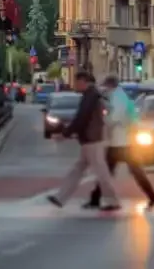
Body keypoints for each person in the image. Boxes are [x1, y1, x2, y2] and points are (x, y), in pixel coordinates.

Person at [47, 71, 121, 211]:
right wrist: (69, 133)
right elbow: (82, 118)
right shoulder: (91, 94)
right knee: (79, 169)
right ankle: (60, 197)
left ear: (83, 81)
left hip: (92, 139)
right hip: (90, 139)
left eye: (76, 82)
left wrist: (66, 133)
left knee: (101, 172)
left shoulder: (91, 96)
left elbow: (82, 118)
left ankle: (113, 200)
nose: (75, 85)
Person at [86, 76, 154, 209]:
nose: (104, 89)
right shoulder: (118, 97)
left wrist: (103, 120)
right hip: (121, 142)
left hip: (122, 142)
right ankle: (96, 198)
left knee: (113, 172)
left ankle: (99, 199)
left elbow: (115, 118)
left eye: (105, 86)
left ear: (110, 85)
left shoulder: (118, 98)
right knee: (115, 172)